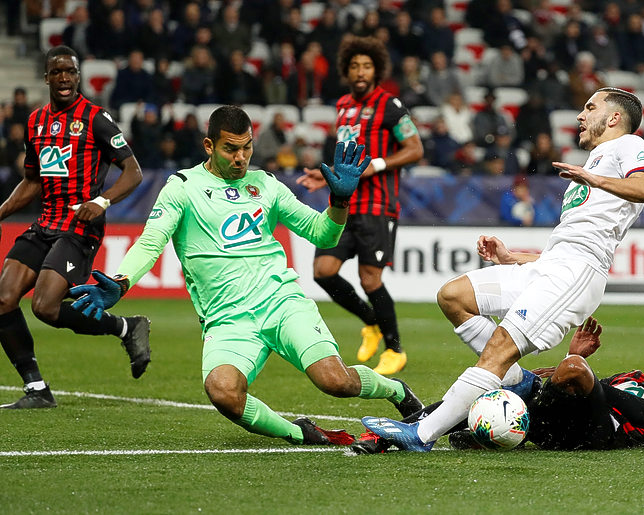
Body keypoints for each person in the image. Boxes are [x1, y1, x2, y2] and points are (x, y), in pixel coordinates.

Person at [68, 106, 423, 445]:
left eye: (247, 147)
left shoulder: (266, 184)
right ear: (209, 145)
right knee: (223, 392)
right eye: (231, 149)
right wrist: (123, 280)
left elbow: (322, 234)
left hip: (281, 303)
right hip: (227, 319)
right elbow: (150, 243)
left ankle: (398, 391)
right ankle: (301, 432)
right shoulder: (182, 187)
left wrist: (339, 201)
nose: (241, 158)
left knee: (335, 382)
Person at [362, 87, 644, 451]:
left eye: (589, 107)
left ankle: (421, 435)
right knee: (453, 296)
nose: (580, 116)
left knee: (500, 347)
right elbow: (566, 247)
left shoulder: (629, 145)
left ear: (614, 118)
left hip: (576, 274)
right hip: (554, 265)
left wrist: (592, 179)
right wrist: (512, 257)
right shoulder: (597, 160)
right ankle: (514, 380)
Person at [0, 46, 148, 409]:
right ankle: (37, 390)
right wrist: (1, 210)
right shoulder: (35, 122)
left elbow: (134, 171)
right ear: (47, 77)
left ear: (78, 76)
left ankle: (125, 327)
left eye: (70, 71)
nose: (64, 78)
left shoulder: (96, 118)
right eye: (57, 72)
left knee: (45, 306)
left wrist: (103, 200)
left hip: (81, 226)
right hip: (45, 223)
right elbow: (33, 182)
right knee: (3, 299)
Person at [356, 316, 644, 453]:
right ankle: (400, 431)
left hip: (600, 438)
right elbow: (584, 387)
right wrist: (570, 366)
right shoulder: (630, 378)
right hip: (569, 424)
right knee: (507, 375)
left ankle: (510, 427)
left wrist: (580, 372)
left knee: (562, 373)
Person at [296, 36, 424, 376]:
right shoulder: (342, 106)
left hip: (378, 205)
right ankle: (371, 322)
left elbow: (415, 148)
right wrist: (327, 177)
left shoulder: (390, 105)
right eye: (354, 66)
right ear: (346, 71)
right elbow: (351, 158)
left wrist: (377, 165)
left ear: (377, 70)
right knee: (323, 271)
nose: (360, 72)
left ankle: (395, 350)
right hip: (344, 204)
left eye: (366, 66)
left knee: (370, 279)